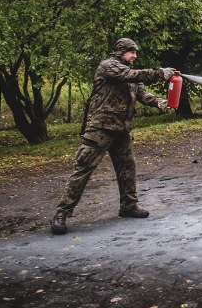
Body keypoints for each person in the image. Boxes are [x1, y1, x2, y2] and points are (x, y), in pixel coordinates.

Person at [51, 38, 176, 235]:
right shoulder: (109, 66)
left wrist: (160, 102)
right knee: (83, 169)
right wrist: (160, 73)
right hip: (100, 129)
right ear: (119, 51)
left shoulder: (132, 76)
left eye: (135, 52)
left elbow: (143, 95)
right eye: (130, 52)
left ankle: (128, 206)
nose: (134, 55)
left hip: (121, 130)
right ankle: (61, 214)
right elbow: (130, 75)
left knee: (128, 168)